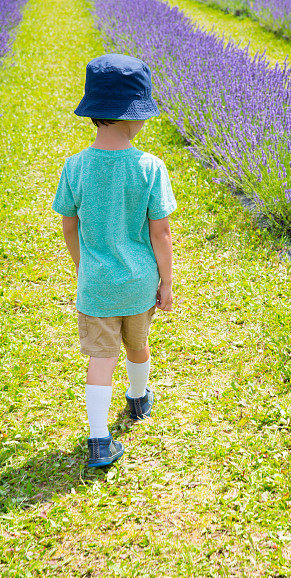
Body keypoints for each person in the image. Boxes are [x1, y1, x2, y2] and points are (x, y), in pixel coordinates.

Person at [52, 53, 177, 468]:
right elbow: (160, 232)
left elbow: (69, 226)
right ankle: (139, 400)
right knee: (138, 345)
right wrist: (166, 282)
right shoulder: (150, 167)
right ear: (132, 116)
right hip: (140, 281)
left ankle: (99, 439)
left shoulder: (75, 167)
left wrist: (81, 265)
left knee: (100, 358)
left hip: (97, 285)